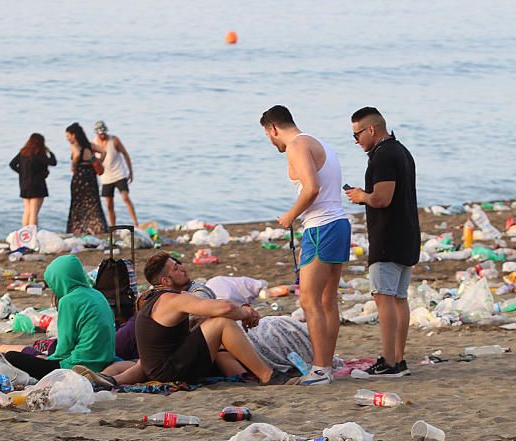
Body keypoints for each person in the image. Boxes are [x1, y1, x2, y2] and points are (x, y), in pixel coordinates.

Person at [260, 105, 350, 386]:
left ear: (273, 128)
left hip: (321, 227)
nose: (271, 141)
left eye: (268, 135)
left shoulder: (296, 146)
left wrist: (290, 215)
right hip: (338, 223)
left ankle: (320, 368)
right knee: (327, 300)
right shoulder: (317, 141)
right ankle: (325, 365)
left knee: (310, 300)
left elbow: (311, 188)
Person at [106, 251, 291, 386]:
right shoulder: (172, 299)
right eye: (176, 269)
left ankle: (105, 378)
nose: (183, 269)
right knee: (222, 323)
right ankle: (267, 375)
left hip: (157, 366)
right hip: (170, 371)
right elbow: (224, 307)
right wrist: (246, 313)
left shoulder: (150, 299)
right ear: (165, 281)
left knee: (212, 323)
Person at [345, 107, 419, 378]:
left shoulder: (383, 156)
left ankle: (389, 360)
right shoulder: (400, 150)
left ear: (371, 129)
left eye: (357, 134)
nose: (356, 141)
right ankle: (398, 359)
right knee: (398, 299)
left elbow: (382, 198)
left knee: (383, 297)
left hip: (388, 236)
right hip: (407, 233)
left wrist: (360, 196)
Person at [3, 255, 116, 380]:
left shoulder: (69, 301)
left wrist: (47, 359)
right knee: (52, 346)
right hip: (106, 360)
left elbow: (65, 348)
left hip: (80, 367)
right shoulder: (97, 294)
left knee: (11, 357)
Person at [91, 120, 139, 227]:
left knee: (125, 197)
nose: (103, 135)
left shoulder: (114, 140)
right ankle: (113, 227)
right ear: (96, 133)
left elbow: (125, 154)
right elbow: (93, 162)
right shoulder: (93, 144)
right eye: (100, 134)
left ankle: (136, 223)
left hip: (119, 174)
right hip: (106, 178)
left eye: (104, 133)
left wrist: (130, 172)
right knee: (109, 205)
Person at [65, 122, 109, 235]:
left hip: (79, 178)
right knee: (93, 202)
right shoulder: (89, 145)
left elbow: (75, 159)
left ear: (74, 135)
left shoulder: (75, 146)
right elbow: (104, 152)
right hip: (91, 177)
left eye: (68, 136)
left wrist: (73, 166)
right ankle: (98, 228)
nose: (67, 138)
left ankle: (77, 228)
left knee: (78, 204)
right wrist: (99, 162)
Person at [10, 133, 57, 227]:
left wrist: (22, 173)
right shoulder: (39, 154)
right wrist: (49, 151)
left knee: (27, 210)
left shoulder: (23, 153)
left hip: (24, 184)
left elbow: (12, 164)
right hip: (37, 185)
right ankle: (32, 235)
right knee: (34, 212)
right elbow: (53, 162)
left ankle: (25, 235)